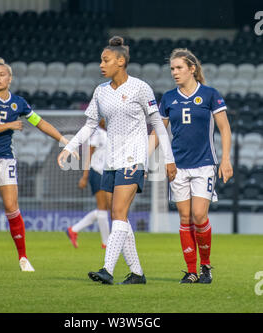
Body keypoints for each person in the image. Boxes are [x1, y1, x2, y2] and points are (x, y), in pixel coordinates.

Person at [58, 36, 176, 285]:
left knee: (118, 212)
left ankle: (107, 269)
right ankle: (137, 274)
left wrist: (168, 159)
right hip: (111, 161)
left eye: (106, 60)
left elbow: (157, 124)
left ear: (120, 61)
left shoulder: (140, 88)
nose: (101, 64)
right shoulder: (100, 92)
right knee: (118, 216)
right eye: (101, 60)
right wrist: (68, 147)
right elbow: (90, 124)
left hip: (134, 158)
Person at [0, 56, 78, 272]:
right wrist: (9, 125)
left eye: (2, 75)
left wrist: (63, 140)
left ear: (10, 78)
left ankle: (23, 258)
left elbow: (40, 123)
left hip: (5, 157)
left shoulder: (19, 103)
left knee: (11, 207)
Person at [152, 48, 233, 284]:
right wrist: (141, 155)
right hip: (178, 167)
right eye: (172, 69)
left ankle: (205, 265)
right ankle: (191, 271)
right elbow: (159, 133)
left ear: (192, 69)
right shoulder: (168, 98)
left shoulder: (209, 95)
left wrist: (225, 159)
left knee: (199, 215)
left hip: (204, 164)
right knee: (185, 218)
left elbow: (225, 129)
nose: (175, 73)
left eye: (179, 68)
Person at [66, 118, 110, 249]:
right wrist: (85, 176)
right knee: (103, 207)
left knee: (105, 208)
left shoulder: (107, 132)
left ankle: (73, 230)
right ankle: (106, 243)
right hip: (96, 172)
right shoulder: (97, 132)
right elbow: (88, 154)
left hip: (104, 172)